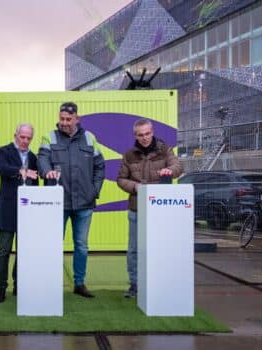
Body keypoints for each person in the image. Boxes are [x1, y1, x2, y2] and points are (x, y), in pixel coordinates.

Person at [38, 102, 105, 298]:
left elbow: (100, 166)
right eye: (62, 119)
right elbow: (42, 159)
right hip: (58, 203)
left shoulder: (89, 138)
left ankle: (79, 283)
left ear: (77, 118)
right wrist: (46, 171)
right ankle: (51, 283)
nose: (64, 123)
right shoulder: (49, 137)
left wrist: (94, 190)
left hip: (85, 202)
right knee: (53, 244)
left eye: (68, 119)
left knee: (81, 245)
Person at [117, 118, 183, 298]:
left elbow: (178, 166)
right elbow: (121, 179)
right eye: (140, 135)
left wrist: (171, 171)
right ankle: (135, 285)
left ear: (152, 132)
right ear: (135, 136)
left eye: (147, 133)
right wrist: (134, 187)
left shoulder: (165, 150)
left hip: (160, 211)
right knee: (134, 249)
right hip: (136, 208)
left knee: (160, 248)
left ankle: (160, 284)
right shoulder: (129, 154)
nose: (144, 138)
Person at [0, 123, 38, 303]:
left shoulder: (34, 157)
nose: (25, 141)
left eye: (28, 138)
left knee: (24, 251)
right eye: (22, 137)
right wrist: (23, 171)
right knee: (4, 250)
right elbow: (4, 169)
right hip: (7, 209)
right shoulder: (2, 152)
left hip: (28, 210)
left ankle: (19, 285)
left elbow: (36, 184)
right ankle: (0, 288)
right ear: (15, 135)